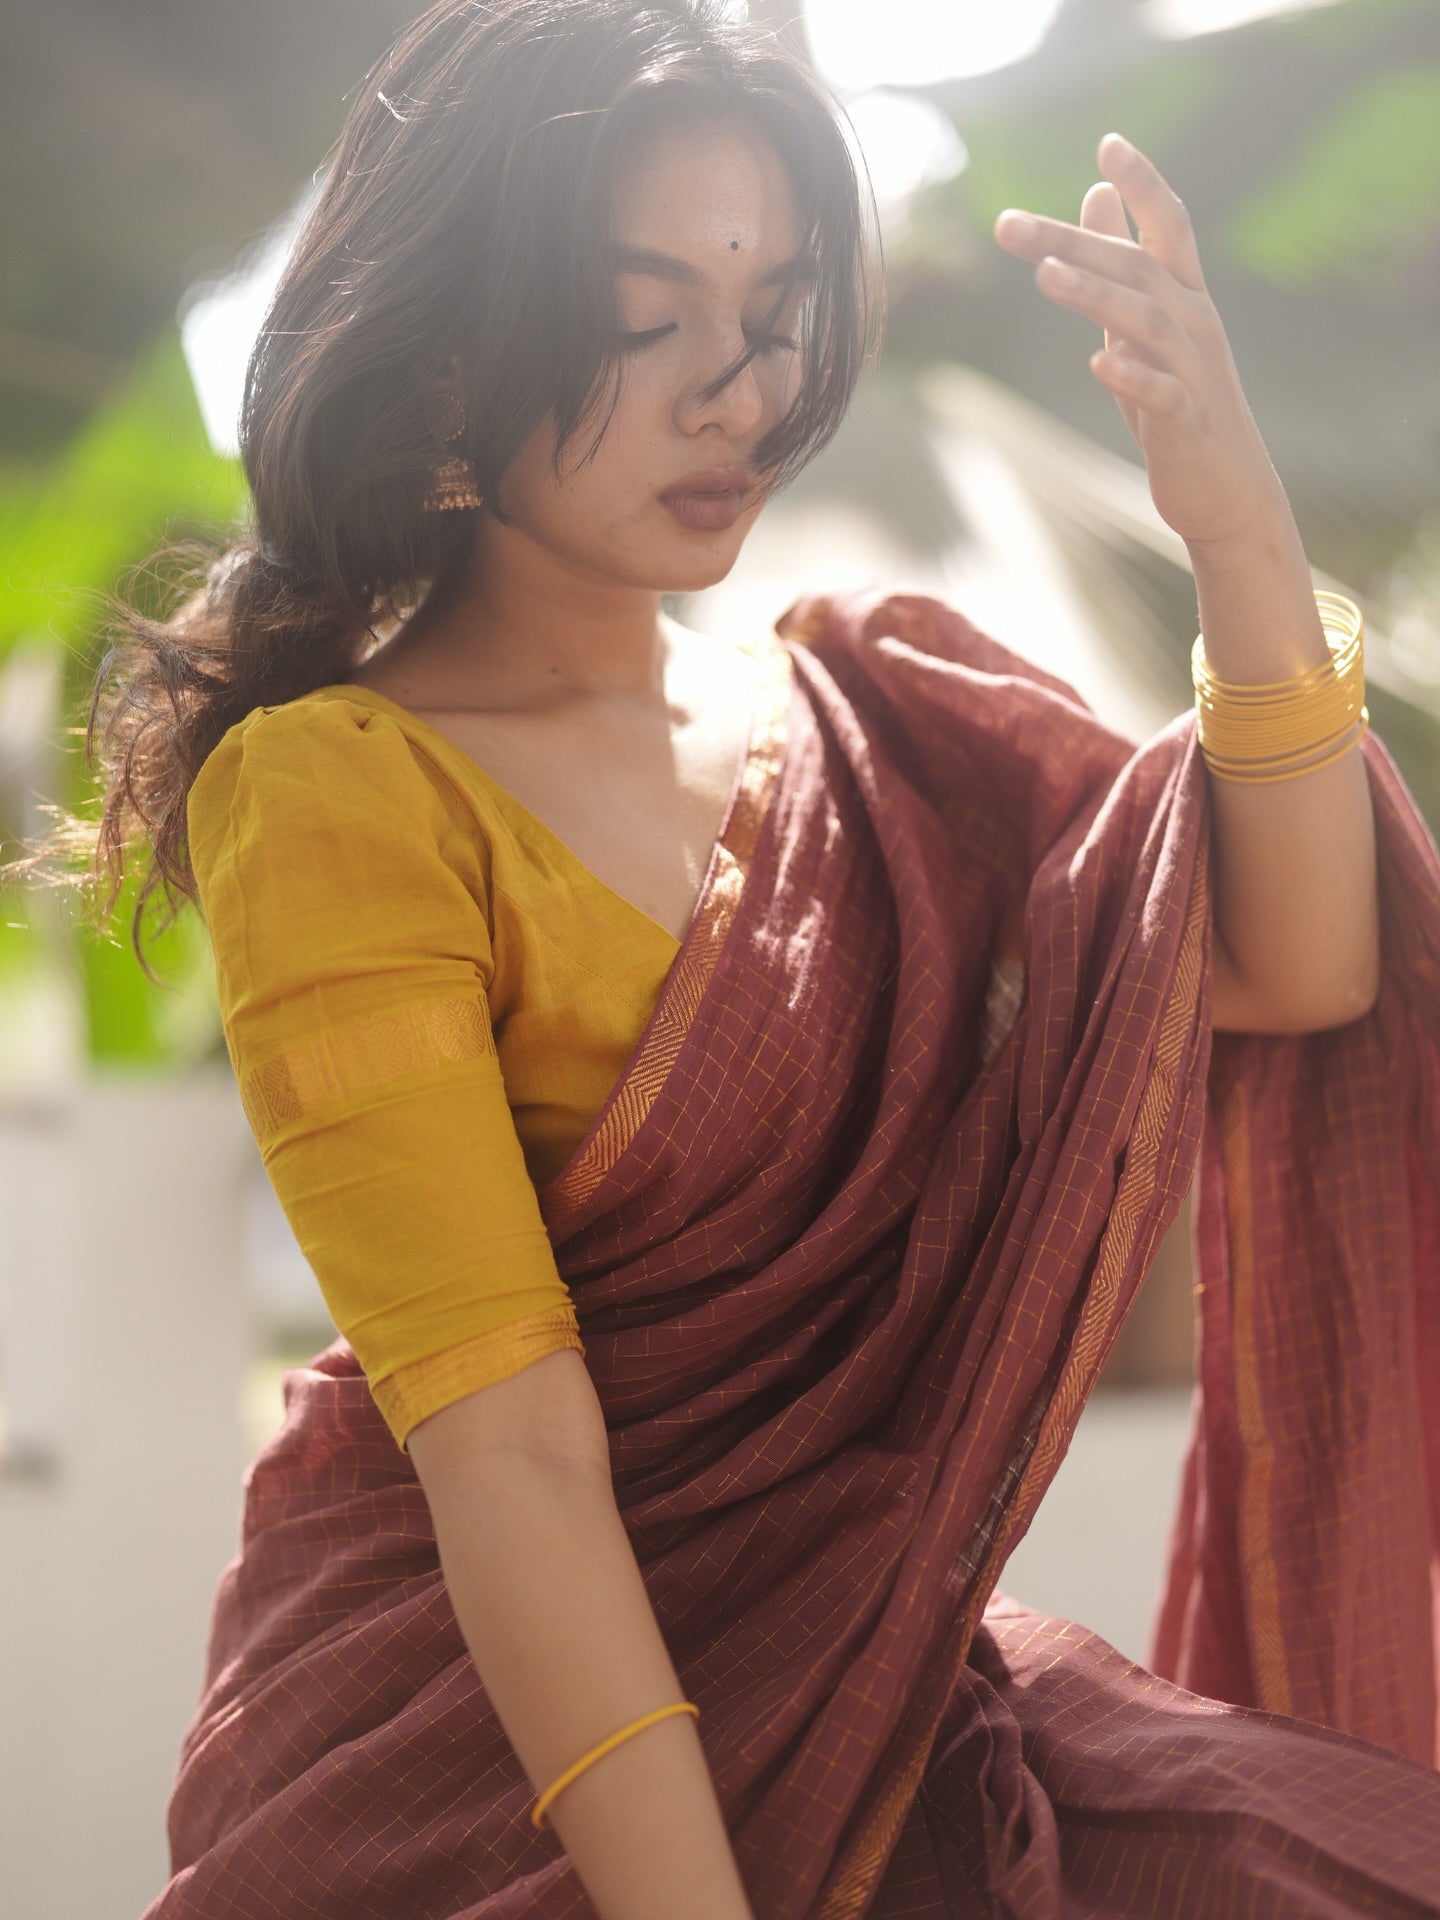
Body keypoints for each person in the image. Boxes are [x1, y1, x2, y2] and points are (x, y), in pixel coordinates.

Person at [20, 1, 1439, 1914]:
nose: (737, 390)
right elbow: (511, 1454)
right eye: (643, 309)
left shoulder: (869, 716)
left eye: (772, 307)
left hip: (870, 1690)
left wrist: (1242, 530)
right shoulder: (344, 793)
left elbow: (1301, 965)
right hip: (484, 1770)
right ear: (445, 335)